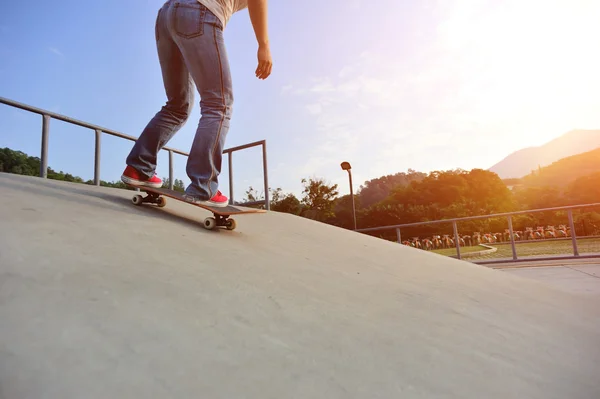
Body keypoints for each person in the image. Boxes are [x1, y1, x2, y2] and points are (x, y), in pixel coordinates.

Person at [121, 0, 272, 207]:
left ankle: (139, 167)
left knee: (177, 106)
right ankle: (204, 185)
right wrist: (264, 45)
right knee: (219, 105)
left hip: (167, 15)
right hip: (199, 13)